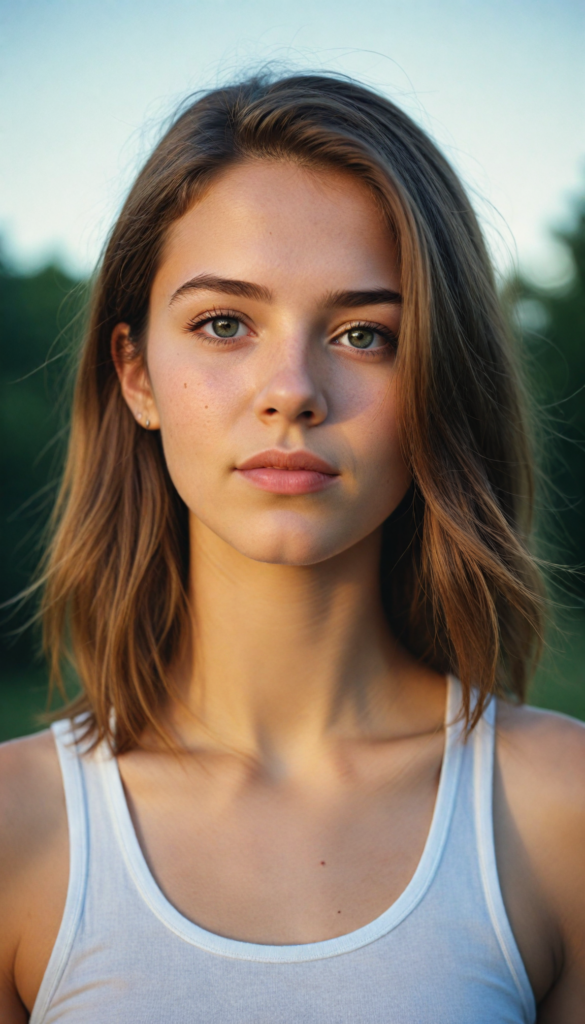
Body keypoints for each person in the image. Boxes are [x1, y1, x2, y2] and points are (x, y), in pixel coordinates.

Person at [0, 73, 583, 1024]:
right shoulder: (15, 830)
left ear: (438, 378)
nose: (291, 390)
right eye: (224, 324)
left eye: (363, 334)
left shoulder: (563, 817)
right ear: (136, 373)